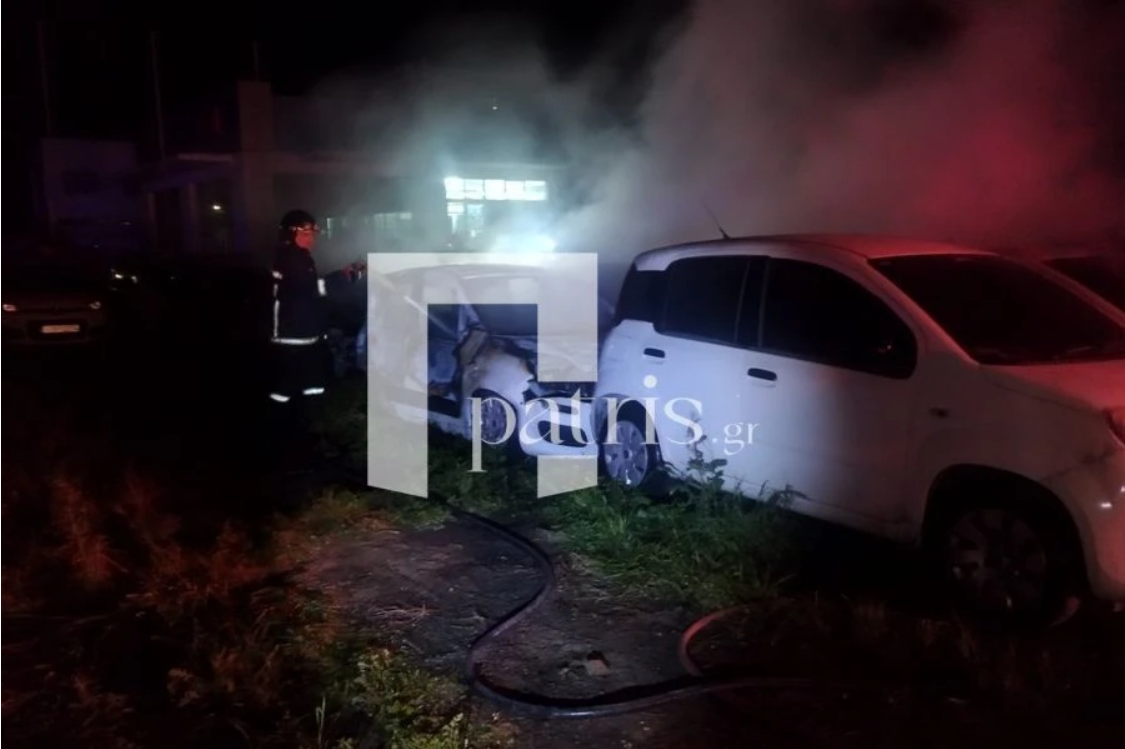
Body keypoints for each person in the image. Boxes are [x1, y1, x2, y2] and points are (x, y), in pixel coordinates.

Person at [269, 209, 331, 404]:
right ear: (290, 233)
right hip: (293, 331)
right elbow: (309, 290)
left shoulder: (301, 257)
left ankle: (311, 407)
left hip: (304, 330)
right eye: (305, 233)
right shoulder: (292, 259)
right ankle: (285, 413)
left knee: (309, 380)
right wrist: (343, 278)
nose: (311, 238)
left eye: (313, 233)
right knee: (288, 381)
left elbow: (314, 293)